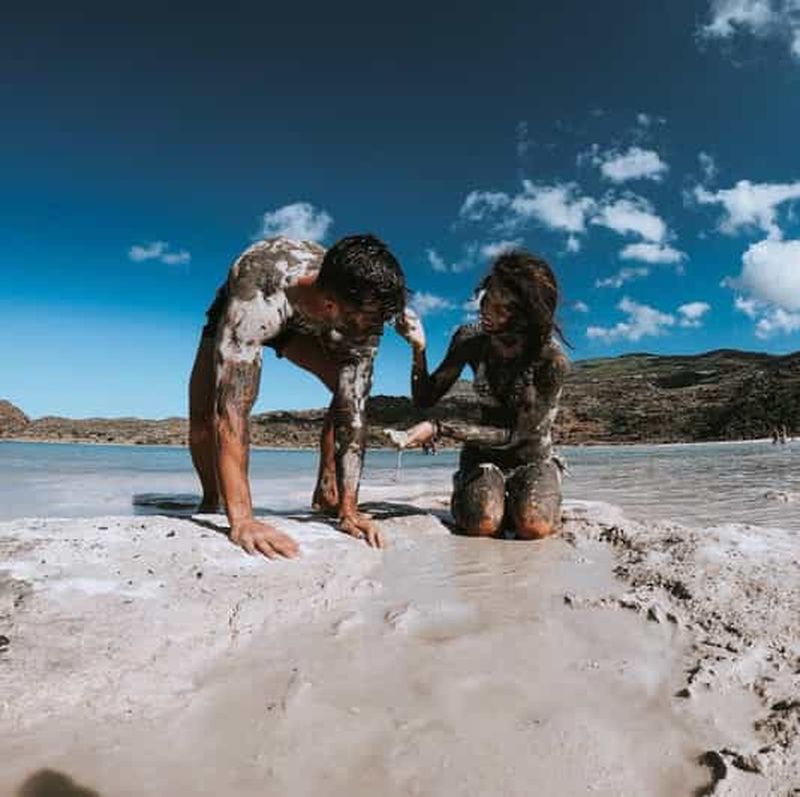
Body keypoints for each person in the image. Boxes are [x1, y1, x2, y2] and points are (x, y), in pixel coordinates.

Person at [189, 234, 418, 559]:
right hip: (256, 305)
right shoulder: (257, 293)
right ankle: (213, 500)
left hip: (310, 322)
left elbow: (353, 411)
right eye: (368, 323)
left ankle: (329, 493)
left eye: (379, 324)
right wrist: (243, 520)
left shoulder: (365, 315)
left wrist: (350, 510)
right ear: (331, 305)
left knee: (345, 396)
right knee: (203, 416)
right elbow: (232, 410)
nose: (373, 334)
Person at [385, 251, 568, 539]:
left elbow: (514, 435)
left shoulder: (550, 359)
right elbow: (425, 398)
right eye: (487, 297)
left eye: (501, 306)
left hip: (532, 456)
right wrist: (418, 348)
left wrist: (439, 429)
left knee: (534, 526)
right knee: (482, 524)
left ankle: (541, 487)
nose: (486, 309)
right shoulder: (470, 339)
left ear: (527, 314)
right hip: (482, 457)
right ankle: (481, 493)